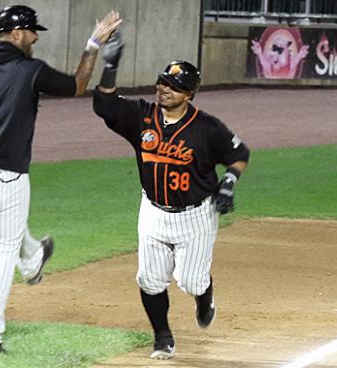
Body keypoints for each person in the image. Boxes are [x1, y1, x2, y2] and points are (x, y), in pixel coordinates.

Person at [0, 5, 121, 353]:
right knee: (1, 251)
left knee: (5, 219)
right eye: (33, 32)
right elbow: (77, 84)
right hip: (3, 174)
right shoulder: (29, 70)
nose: (36, 38)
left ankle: (33, 255)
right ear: (17, 34)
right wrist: (92, 44)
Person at [93, 33, 250, 360]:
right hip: (152, 211)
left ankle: (203, 298)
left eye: (174, 85)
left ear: (189, 94)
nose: (165, 88)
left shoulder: (207, 128)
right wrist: (110, 64)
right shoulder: (141, 116)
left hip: (196, 215)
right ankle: (162, 337)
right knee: (150, 280)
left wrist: (229, 182)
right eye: (163, 81)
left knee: (192, 282)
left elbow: (239, 153)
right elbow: (104, 105)